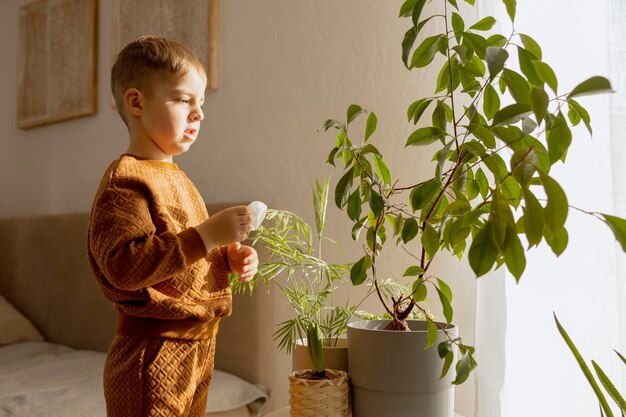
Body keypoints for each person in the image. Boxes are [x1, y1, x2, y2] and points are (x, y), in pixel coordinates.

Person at [87, 35, 259, 417]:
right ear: (136, 102)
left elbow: (182, 255)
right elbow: (125, 267)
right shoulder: (127, 180)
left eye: (202, 104)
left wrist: (226, 258)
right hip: (151, 351)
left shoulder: (179, 178)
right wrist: (208, 235)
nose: (198, 114)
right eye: (184, 100)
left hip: (199, 347)